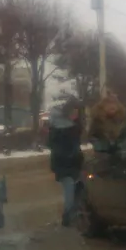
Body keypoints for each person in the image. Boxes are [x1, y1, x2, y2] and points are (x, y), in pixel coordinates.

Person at [47, 97, 85, 227]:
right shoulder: (63, 128)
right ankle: (68, 217)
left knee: (77, 188)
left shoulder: (69, 126)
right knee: (70, 190)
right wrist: (71, 155)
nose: (76, 114)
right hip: (65, 164)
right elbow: (56, 146)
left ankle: (73, 214)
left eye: (77, 111)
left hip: (70, 163)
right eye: (74, 111)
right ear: (68, 111)